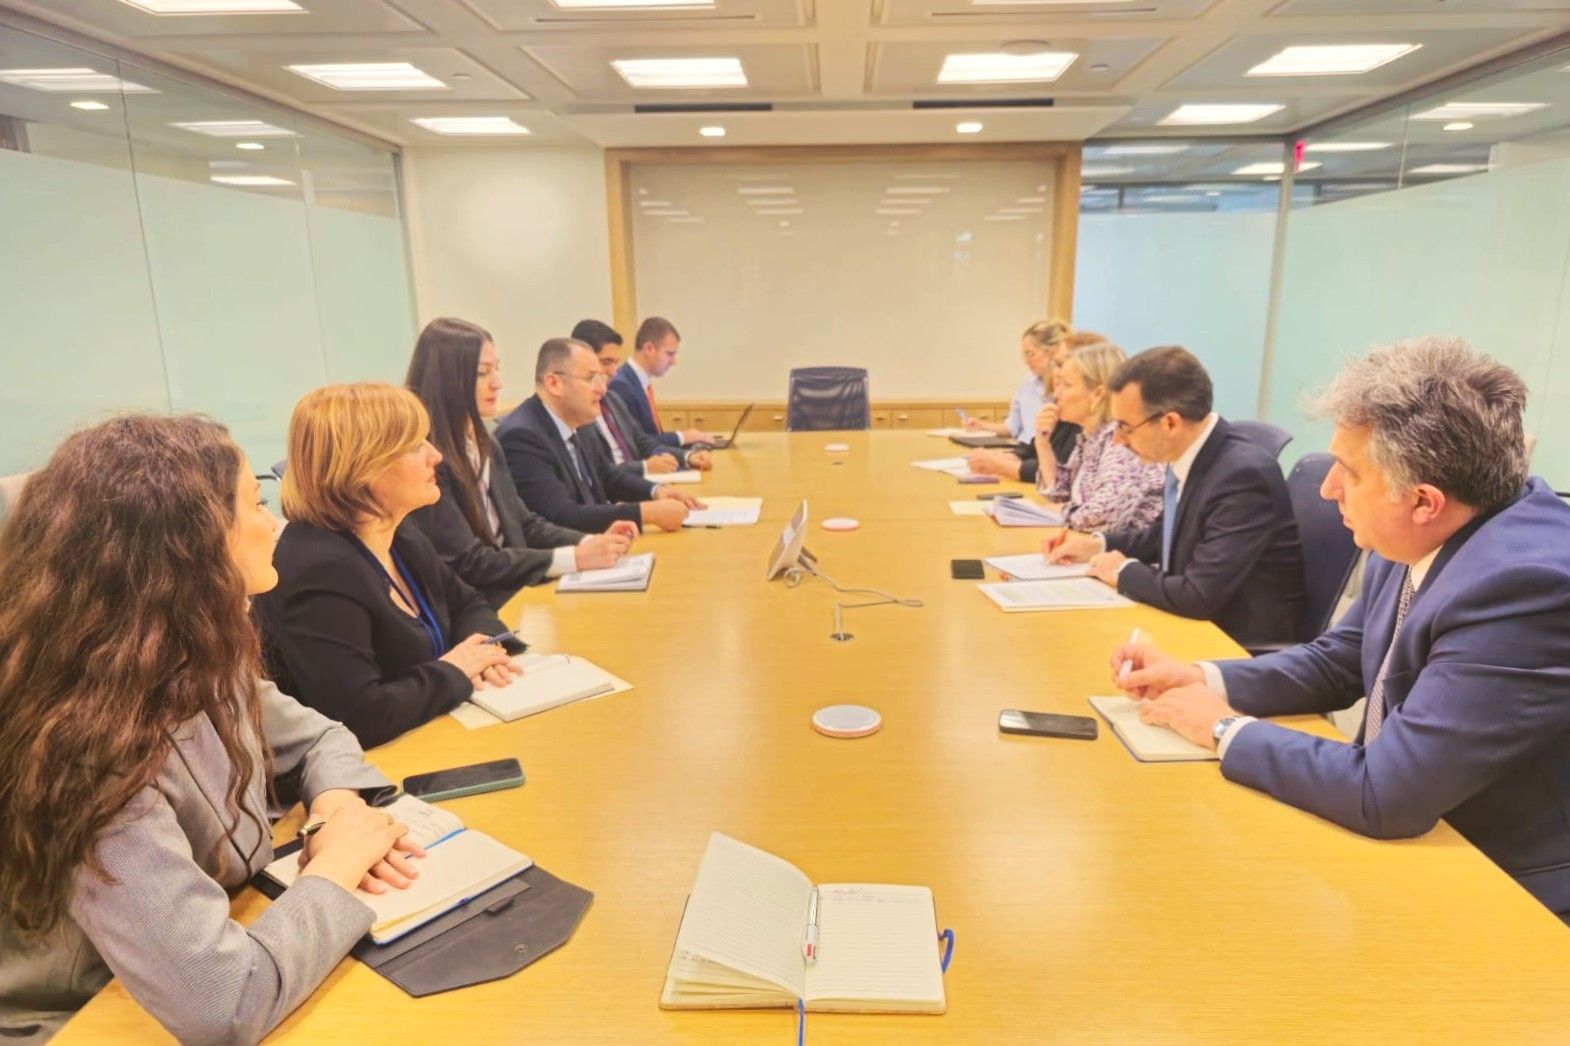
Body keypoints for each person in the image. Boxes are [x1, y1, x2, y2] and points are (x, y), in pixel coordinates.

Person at [1113, 337, 1570, 921]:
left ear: (1423, 502)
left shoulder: (1522, 588)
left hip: (1506, 885)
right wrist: (1200, 678)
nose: (1327, 488)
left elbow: (1387, 792)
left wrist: (1222, 728)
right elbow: (1340, 658)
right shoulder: (1425, 528)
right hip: (1424, 835)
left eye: (1348, 474)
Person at [0, 415, 422, 1044]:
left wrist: (335, 811)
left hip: (199, 954)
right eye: (255, 503)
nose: (274, 524)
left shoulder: (192, 658)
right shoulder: (86, 746)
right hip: (87, 1019)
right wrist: (336, 866)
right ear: (189, 544)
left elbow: (321, 738)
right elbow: (223, 1006)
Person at [255, 383, 526, 749]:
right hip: (374, 765)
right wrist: (457, 670)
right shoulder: (316, 568)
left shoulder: (398, 534)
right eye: (415, 446)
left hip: (432, 735)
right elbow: (360, 716)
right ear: (363, 467)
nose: (436, 455)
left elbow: (469, 604)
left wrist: (483, 653)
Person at [1046, 345, 1305, 647]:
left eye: (1125, 427)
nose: (1117, 439)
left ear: (1170, 423)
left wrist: (1122, 570)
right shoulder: (1189, 452)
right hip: (1192, 623)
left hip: (1233, 644)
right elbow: (1167, 536)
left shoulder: (1243, 475)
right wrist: (1099, 545)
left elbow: (1199, 595)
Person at [404, 316, 635, 609]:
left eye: (496, 369)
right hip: (480, 607)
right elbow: (469, 562)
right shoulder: (430, 459)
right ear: (447, 378)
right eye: (482, 373)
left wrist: (589, 542)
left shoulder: (485, 443)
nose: (497, 383)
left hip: (516, 590)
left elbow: (524, 524)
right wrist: (574, 558)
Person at [496, 337, 704, 532]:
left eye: (601, 378)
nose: (603, 389)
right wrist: (645, 513)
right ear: (554, 383)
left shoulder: (579, 421)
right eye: (591, 379)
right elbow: (561, 516)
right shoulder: (522, 437)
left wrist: (657, 491)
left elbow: (606, 476)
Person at [1029, 342, 1163, 533]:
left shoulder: (1123, 441)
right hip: (1093, 544)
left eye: (1066, 385)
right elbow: (1060, 495)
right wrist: (1042, 442)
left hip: (1128, 550)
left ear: (1098, 394)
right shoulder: (1091, 437)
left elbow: (1101, 517)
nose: (1056, 394)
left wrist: (1063, 511)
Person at [570, 318, 712, 474]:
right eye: (606, 362)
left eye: (616, 363)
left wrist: (687, 457)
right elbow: (602, 470)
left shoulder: (612, 399)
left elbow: (642, 442)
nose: (614, 372)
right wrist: (645, 467)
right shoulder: (581, 409)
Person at [964, 321, 1089, 481]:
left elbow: (1060, 474)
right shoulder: (1062, 409)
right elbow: (1033, 448)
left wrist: (1000, 465)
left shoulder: (1090, 428)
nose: (1057, 374)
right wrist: (1013, 455)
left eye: (1060, 364)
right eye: (1058, 365)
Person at [605, 316, 718, 448]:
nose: (674, 362)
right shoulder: (621, 385)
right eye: (669, 354)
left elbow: (652, 436)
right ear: (649, 349)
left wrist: (688, 449)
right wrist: (683, 437)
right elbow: (636, 443)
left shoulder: (640, 382)